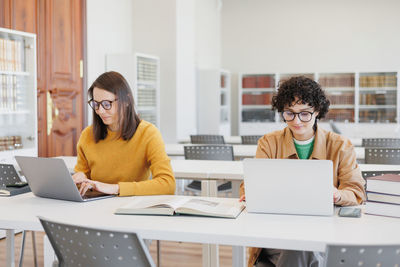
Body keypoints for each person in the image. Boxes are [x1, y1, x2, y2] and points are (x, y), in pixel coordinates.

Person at [239, 76, 366, 267]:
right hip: (277, 231)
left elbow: (356, 192)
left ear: (317, 111)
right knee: (301, 248)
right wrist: (249, 194)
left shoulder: (341, 145)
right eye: (289, 113)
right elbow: (249, 185)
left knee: (304, 248)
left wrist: (338, 195)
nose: (296, 121)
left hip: (326, 231)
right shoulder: (269, 142)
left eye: (304, 113)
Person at [72, 71, 175, 197]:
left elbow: (168, 184)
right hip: (95, 206)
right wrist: (80, 177)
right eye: (96, 104)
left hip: (132, 208)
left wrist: (116, 188)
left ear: (126, 101)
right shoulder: (87, 135)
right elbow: (83, 178)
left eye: (107, 104)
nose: (100, 111)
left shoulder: (148, 133)